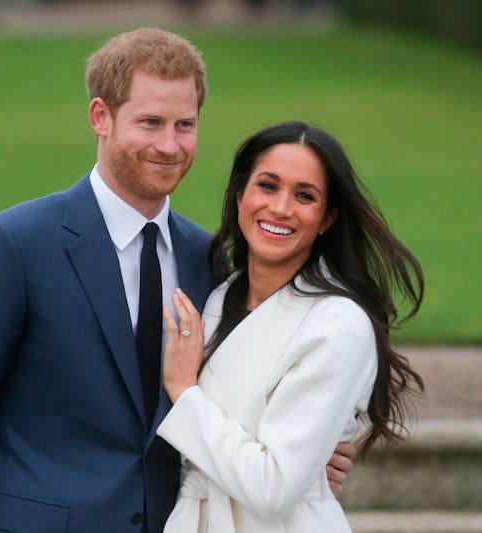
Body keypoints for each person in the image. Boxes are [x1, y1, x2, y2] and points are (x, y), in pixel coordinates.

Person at [0, 29, 353, 533]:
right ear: (101, 117)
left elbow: (232, 394)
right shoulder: (13, 246)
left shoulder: (208, 259)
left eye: (184, 125)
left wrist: (310, 453)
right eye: (151, 123)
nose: (169, 145)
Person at [155, 121, 425, 532]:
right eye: (267, 186)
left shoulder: (337, 325)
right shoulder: (218, 296)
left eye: (304, 196)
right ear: (240, 193)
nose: (281, 208)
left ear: (327, 218)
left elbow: (273, 489)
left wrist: (184, 392)